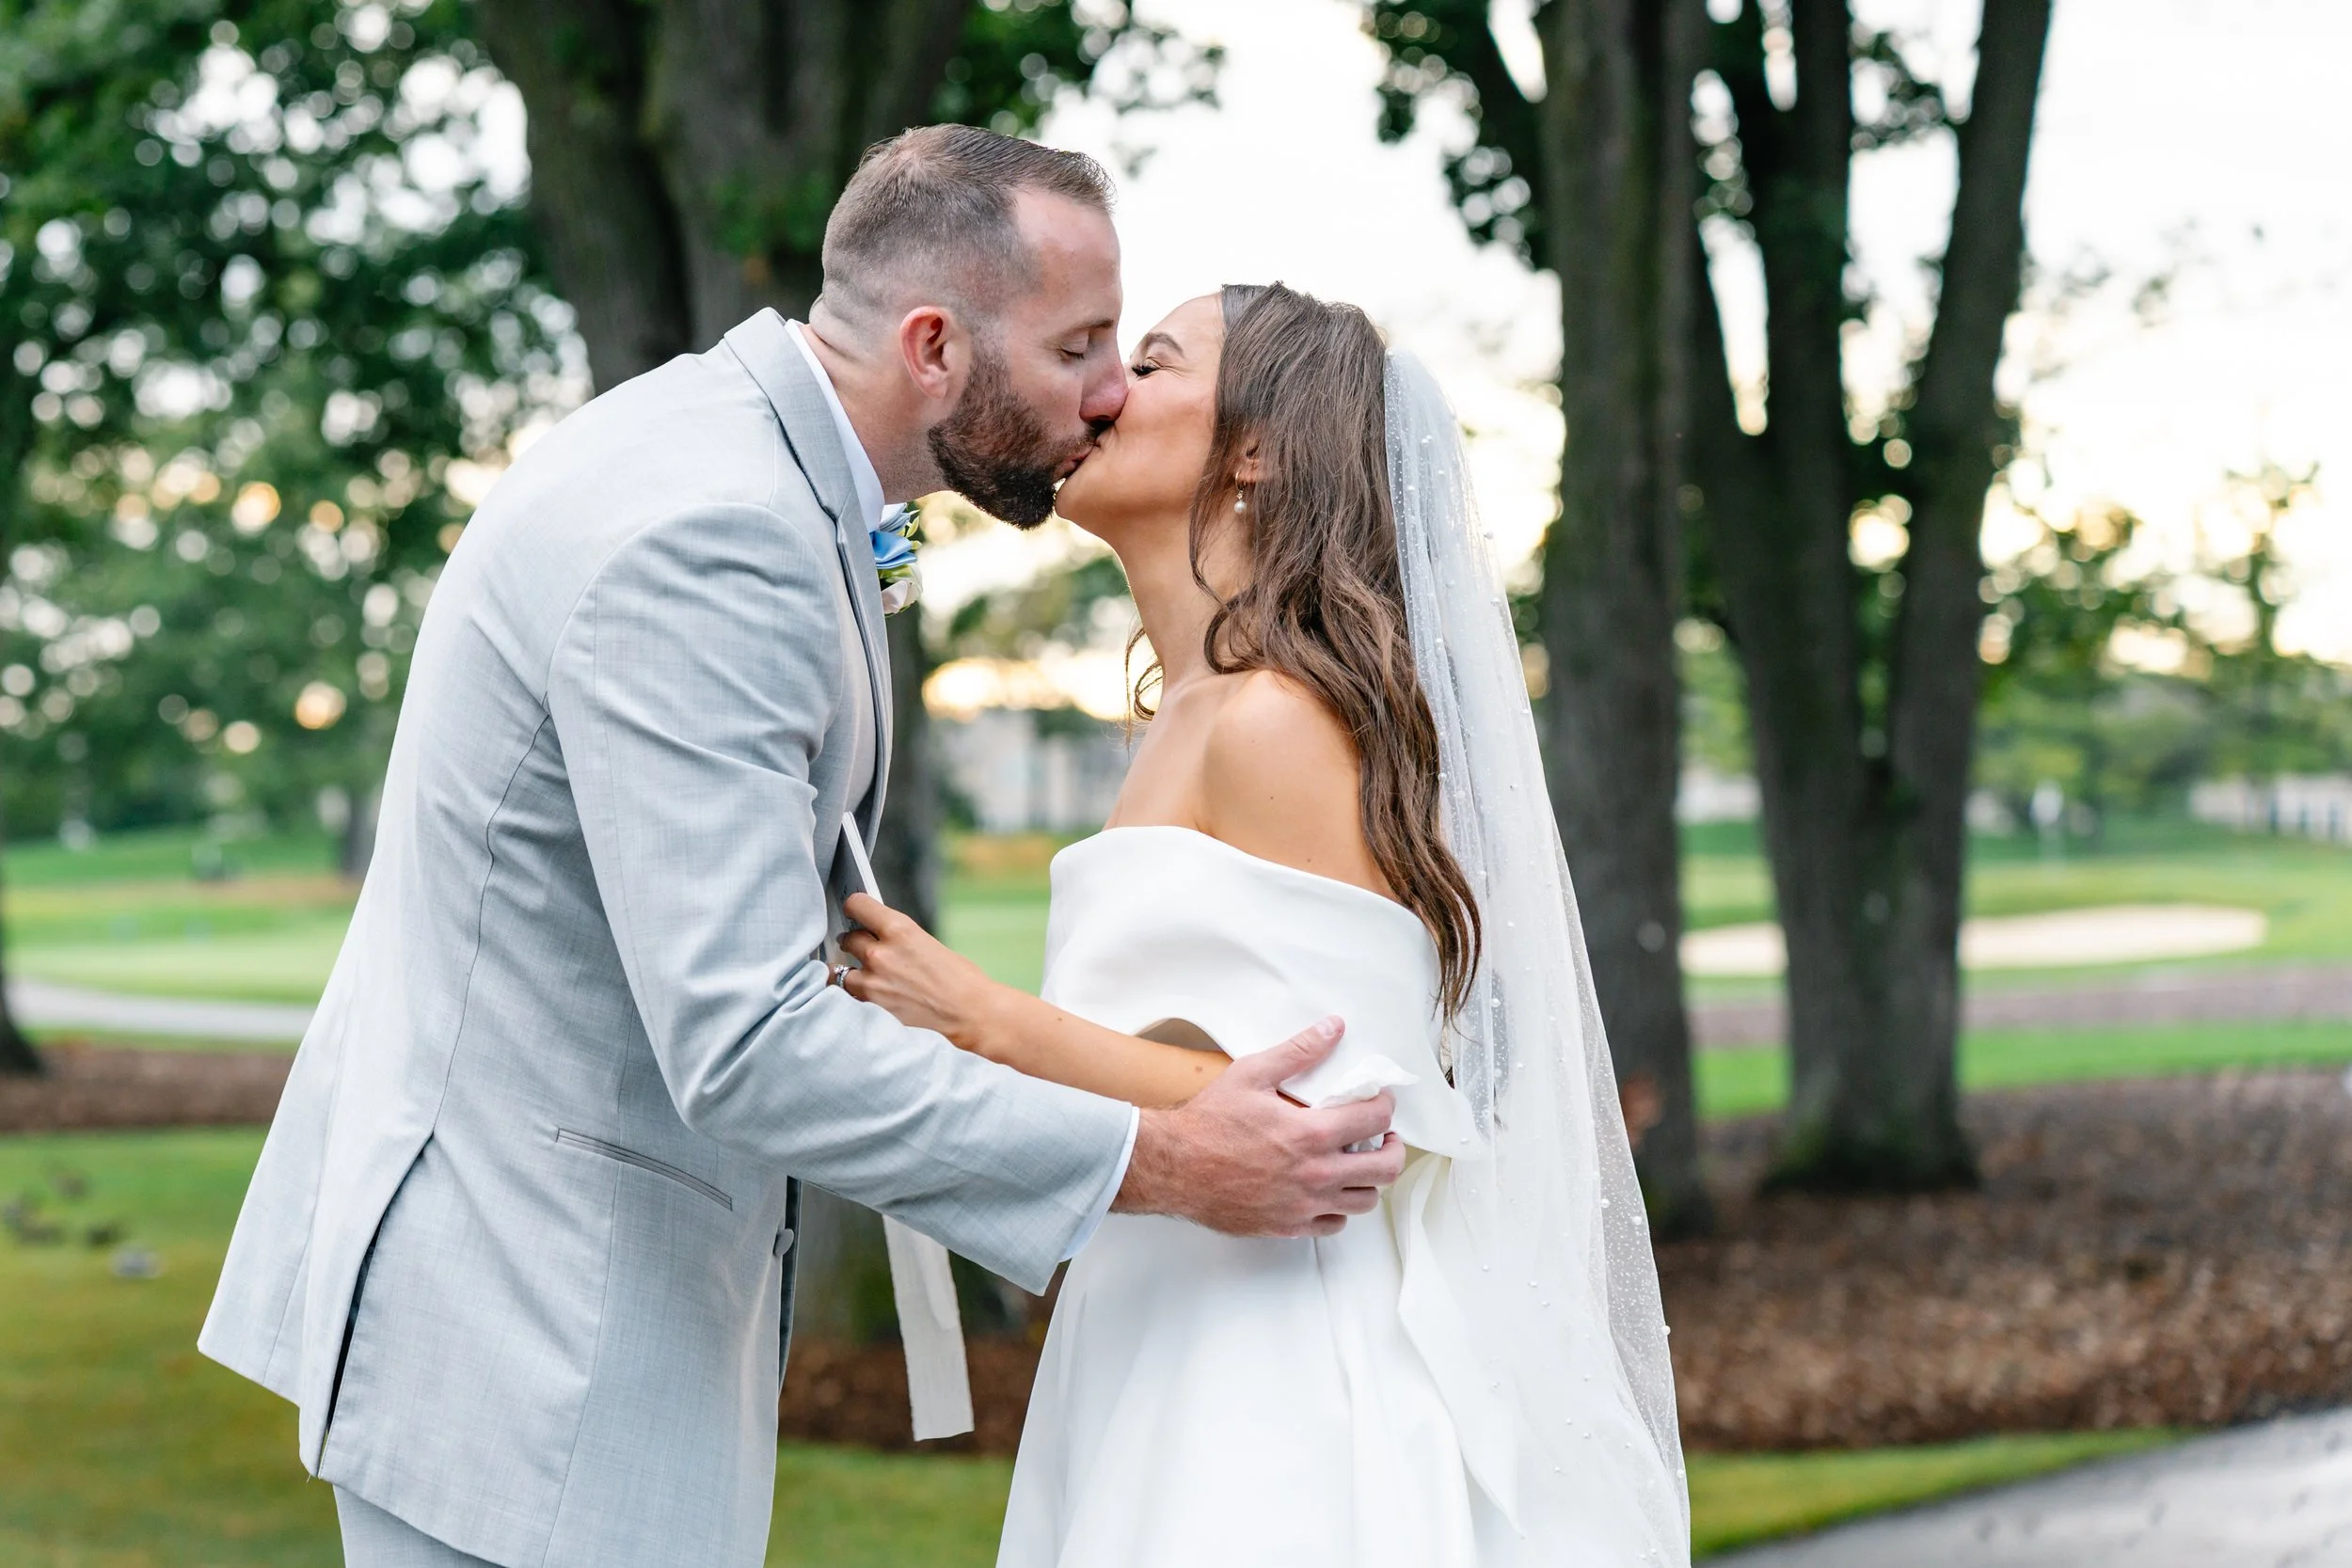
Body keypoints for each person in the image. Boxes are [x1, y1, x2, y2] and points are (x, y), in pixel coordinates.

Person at [199, 128, 1408, 1568]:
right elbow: (747, 1041)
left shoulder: (731, 458)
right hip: (532, 1331)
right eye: (1083, 344)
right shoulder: (717, 531)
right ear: (935, 347)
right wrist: (1160, 1160)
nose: (1104, 393)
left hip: (530, 1301)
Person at [841, 284, 1692, 1565]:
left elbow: (1343, 1122)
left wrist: (982, 1016)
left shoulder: (1277, 719)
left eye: (1153, 361)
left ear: (1256, 446)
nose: (1102, 390)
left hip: (1277, 1376)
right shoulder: (1183, 715)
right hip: (1158, 1321)